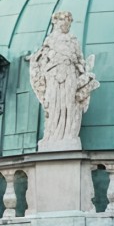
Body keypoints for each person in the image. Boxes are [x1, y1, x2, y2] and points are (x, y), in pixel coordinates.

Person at [29, 9, 98, 149]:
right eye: (62, 19)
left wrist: (84, 71)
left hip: (69, 74)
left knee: (68, 103)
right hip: (53, 76)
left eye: (68, 20)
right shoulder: (50, 40)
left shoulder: (73, 40)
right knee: (54, 104)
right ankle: (53, 136)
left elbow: (79, 60)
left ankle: (68, 135)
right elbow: (42, 61)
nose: (65, 23)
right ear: (55, 21)